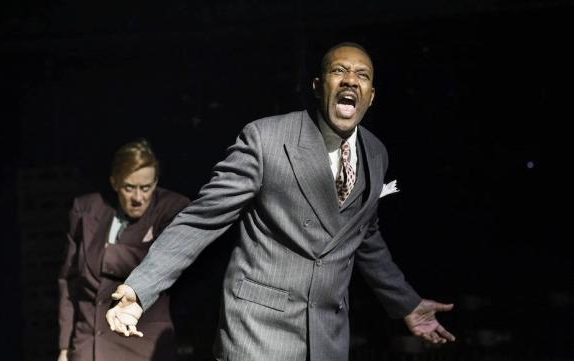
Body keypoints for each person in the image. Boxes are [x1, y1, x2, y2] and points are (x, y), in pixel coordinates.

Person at [106, 42, 456, 361]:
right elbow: (201, 219)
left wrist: (405, 303)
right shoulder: (267, 139)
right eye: (339, 71)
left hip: (326, 338)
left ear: (371, 96)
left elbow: (364, 236)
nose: (350, 80)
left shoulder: (376, 154)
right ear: (319, 87)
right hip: (259, 334)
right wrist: (139, 291)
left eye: (361, 75)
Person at [57, 138, 190, 361]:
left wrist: (107, 254)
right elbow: (69, 282)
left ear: (156, 182)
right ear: (114, 183)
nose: (138, 198)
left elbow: (163, 262)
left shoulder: (172, 209)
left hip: (140, 346)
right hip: (87, 346)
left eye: (146, 188)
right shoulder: (87, 209)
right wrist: (64, 348)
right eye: (129, 188)